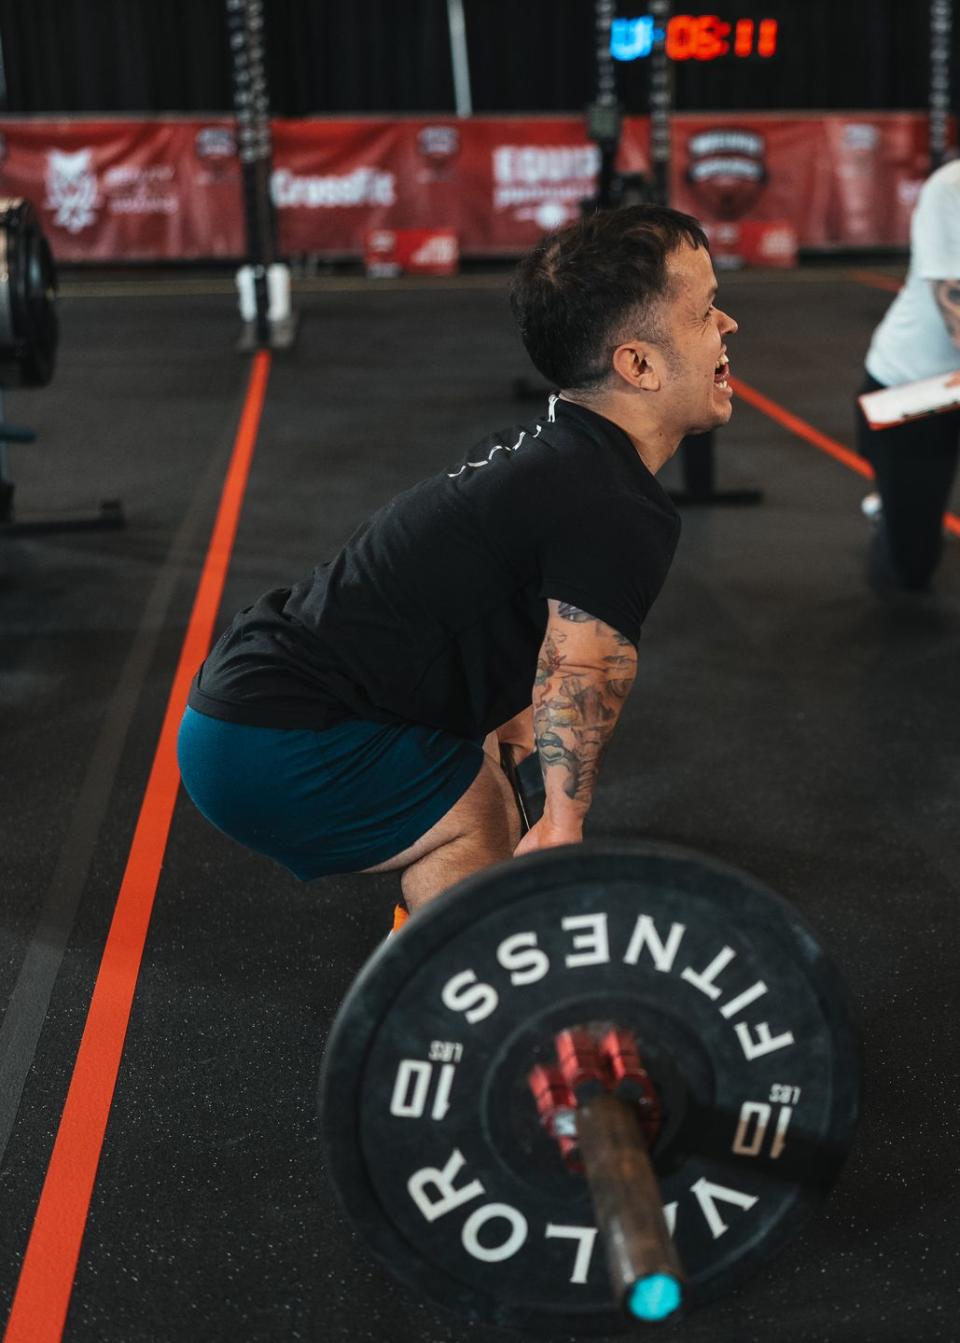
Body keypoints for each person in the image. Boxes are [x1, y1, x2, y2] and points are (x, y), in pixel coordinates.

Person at [176, 205, 738, 921]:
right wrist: (564, 824)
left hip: (250, 709)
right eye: (707, 311)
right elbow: (581, 668)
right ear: (638, 363)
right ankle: (455, 1007)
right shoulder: (610, 500)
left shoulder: (558, 454)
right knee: (475, 810)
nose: (728, 326)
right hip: (269, 738)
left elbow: (522, 675)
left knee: (489, 781)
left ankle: (443, 957)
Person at [856, 157, 960, 591]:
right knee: (911, 569)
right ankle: (893, 510)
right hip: (915, 386)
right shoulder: (950, 189)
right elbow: (954, 305)